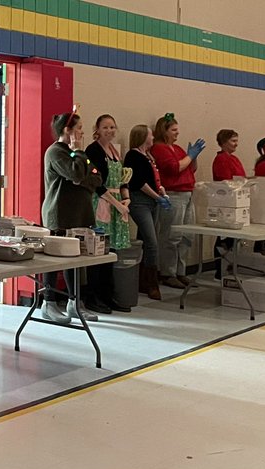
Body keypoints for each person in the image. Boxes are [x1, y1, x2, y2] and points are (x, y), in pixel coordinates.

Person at [40, 111, 104, 323]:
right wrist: (78, 160)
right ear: (67, 131)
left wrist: (81, 173)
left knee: (76, 259)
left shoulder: (78, 153)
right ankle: (48, 302)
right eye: (78, 128)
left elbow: (96, 178)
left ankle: (75, 302)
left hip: (80, 214)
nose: (82, 132)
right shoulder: (55, 152)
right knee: (54, 259)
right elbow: (76, 173)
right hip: (60, 214)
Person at [151, 113, 206, 289]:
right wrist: (189, 157)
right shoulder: (159, 149)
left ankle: (180, 271)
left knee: (186, 236)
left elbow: (191, 167)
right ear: (164, 131)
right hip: (173, 195)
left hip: (188, 194)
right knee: (171, 235)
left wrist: (193, 156)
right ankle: (168, 272)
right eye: (174, 130)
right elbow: (175, 168)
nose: (177, 133)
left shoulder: (178, 149)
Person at [83, 114, 131, 313]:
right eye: (105, 128)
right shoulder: (92, 151)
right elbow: (96, 184)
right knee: (98, 252)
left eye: (112, 127)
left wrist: (126, 198)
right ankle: (92, 296)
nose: (109, 131)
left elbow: (122, 179)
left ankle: (108, 295)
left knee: (111, 252)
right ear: (97, 129)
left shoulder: (115, 151)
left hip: (117, 202)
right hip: (101, 203)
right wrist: (117, 204)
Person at [125, 125, 171, 300]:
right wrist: (155, 196)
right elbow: (138, 182)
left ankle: (142, 279)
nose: (153, 138)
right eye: (151, 135)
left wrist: (161, 192)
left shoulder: (149, 157)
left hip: (152, 201)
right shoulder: (133, 156)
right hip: (140, 201)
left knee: (146, 239)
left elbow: (153, 179)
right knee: (152, 242)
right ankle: (152, 282)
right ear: (143, 137)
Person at [211, 129, 245, 279]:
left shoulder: (235, 158)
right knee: (225, 237)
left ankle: (229, 266)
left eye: (237, 141)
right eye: (233, 141)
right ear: (223, 142)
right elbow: (225, 181)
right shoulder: (221, 159)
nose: (236, 144)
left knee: (232, 238)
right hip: (226, 202)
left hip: (237, 200)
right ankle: (221, 268)